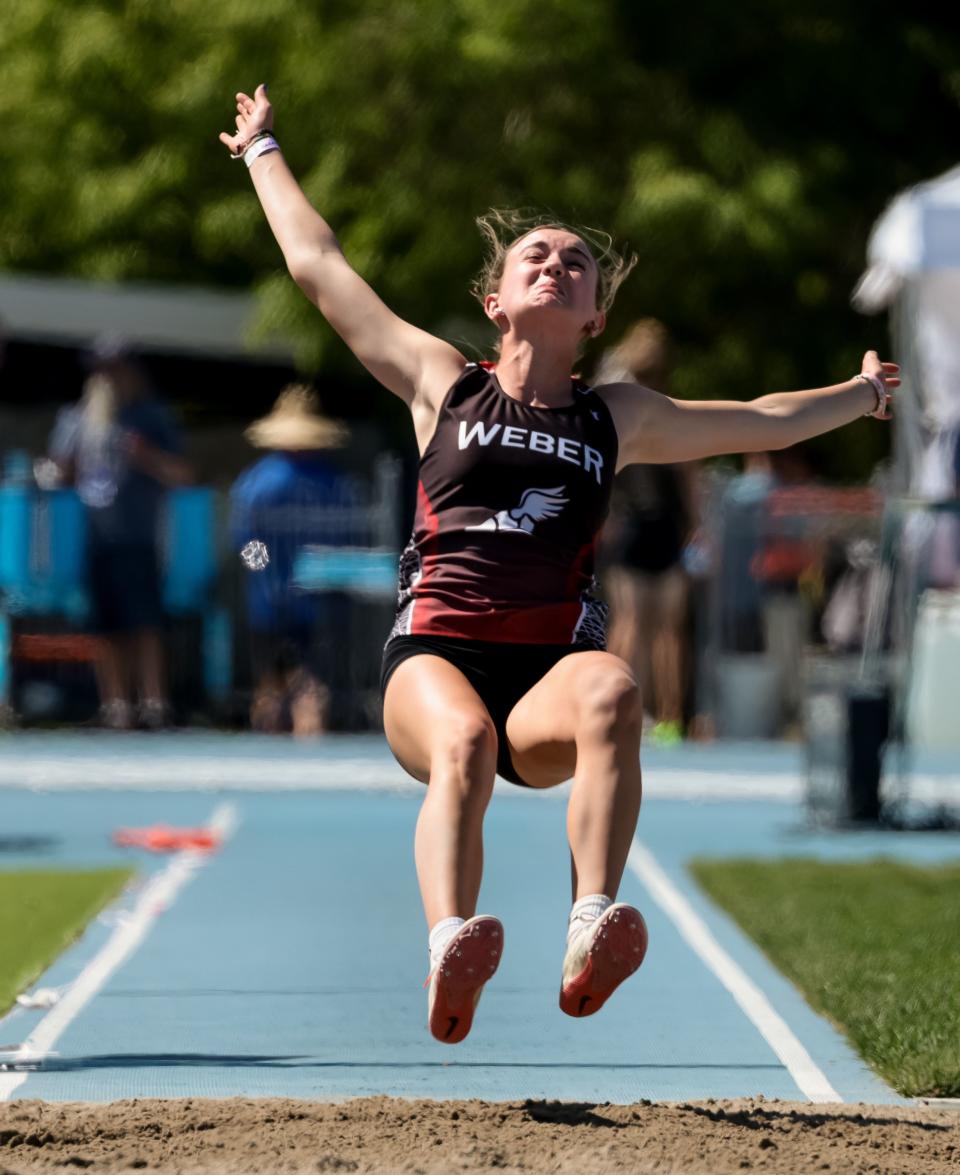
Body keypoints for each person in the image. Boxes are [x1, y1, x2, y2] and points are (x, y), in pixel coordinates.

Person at [220, 84, 898, 1044]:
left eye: (577, 263)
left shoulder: (613, 416)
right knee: (463, 747)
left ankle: (590, 923)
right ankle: (450, 944)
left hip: (547, 670)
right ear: (496, 301)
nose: (559, 262)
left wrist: (860, 395)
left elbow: (754, 418)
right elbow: (319, 265)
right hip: (435, 655)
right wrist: (263, 150)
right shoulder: (439, 381)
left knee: (617, 692)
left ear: (590, 318)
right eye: (535, 254)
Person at [49, 336, 192, 730]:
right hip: (94, 536)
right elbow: (58, 472)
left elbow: (183, 474)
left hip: (139, 535)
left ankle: (154, 700)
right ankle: (115, 703)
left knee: (145, 623)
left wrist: (146, 456)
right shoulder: (75, 420)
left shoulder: (150, 417)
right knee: (105, 626)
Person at [230, 384, 357, 737]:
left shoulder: (254, 481)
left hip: (271, 600)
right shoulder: (336, 483)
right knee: (311, 688)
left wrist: (265, 576)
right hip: (321, 598)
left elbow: (244, 542)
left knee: (271, 688)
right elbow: (348, 539)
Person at [595, 321, 698, 746]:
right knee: (648, 625)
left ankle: (658, 713)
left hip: (647, 525)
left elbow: (689, 471)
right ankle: (639, 710)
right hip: (644, 524)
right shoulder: (639, 404)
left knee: (647, 625)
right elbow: (689, 470)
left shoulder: (630, 405)